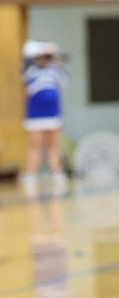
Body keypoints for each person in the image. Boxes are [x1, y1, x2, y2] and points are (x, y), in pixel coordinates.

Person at [21, 40, 68, 198]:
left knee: (53, 144)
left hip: (52, 114)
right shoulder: (30, 72)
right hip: (35, 114)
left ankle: (57, 173)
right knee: (36, 145)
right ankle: (31, 174)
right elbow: (25, 61)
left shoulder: (54, 71)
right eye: (39, 57)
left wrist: (55, 59)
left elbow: (65, 81)